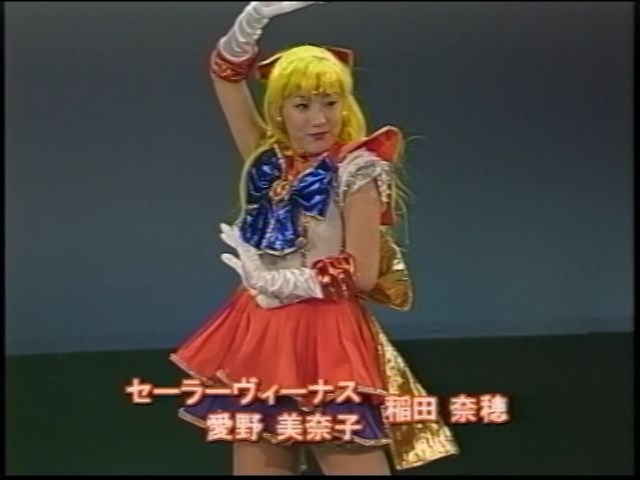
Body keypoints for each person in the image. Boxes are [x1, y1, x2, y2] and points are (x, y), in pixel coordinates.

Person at [169, 1, 459, 475]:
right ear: (280, 111)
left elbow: (362, 274)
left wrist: (279, 281)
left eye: (330, 102)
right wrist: (250, 23)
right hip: (260, 330)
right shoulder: (267, 159)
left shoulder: (357, 170)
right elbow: (225, 76)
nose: (319, 118)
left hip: (325, 334)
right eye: (302, 105)